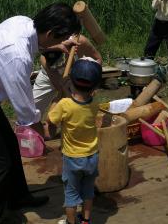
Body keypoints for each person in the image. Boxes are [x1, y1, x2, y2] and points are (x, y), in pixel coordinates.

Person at [0, 2, 81, 224]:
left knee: (10, 145)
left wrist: (55, 47)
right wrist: (45, 132)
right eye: (60, 39)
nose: (61, 43)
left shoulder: (23, 22)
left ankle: (18, 198)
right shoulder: (16, 55)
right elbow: (25, 112)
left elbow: (38, 44)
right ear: (49, 33)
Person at [46, 57, 102, 224]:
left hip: (72, 158)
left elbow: (51, 120)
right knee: (88, 192)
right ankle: (85, 221)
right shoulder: (94, 105)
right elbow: (80, 104)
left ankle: (71, 223)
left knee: (71, 195)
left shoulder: (64, 104)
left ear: (71, 80)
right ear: (95, 87)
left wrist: (60, 95)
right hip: (92, 156)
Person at [33, 35, 102, 139]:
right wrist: (58, 84)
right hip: (49, 74)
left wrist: (92, 82)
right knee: (31, 112)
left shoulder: (80, 41)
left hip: (74, 78)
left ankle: (69, 129)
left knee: (76, 111)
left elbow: (98, 59)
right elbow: (43, 58)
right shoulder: (47, 38)